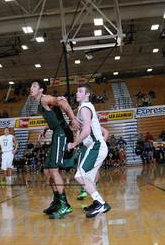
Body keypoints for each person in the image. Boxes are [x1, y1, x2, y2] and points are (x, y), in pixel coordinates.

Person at [30, 80, 80, 219]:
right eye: (31, 86)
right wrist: (45, 128)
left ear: (41, 89)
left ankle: (65, 204)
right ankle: (57, 201)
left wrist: (73, 119)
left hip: (62, 133)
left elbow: (62, 102)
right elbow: (55, 117)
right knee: (47, 170)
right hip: (56, 132)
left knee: (53, 169)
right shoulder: (40, 103)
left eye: (34, 86)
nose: (31, 88)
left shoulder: (45, 98)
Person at [68, 84, 111, 218]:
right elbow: (83, 127)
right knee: (88, 179)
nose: (77, 93)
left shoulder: (85, 107)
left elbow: (86, 131)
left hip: (96, 146)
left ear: (87, 94)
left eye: (80, 91)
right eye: (77, 91)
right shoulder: (83, 108)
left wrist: (74, 143)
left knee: (80, 176)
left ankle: (101, 204)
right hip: (95, 146)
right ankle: (96, 202)